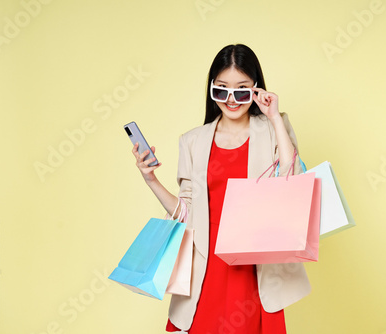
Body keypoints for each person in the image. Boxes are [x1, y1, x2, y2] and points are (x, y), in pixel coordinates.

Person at [132, 44, 311, 333]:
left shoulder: (270, 130)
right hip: (205, 269)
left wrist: (275, 117)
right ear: (211, 89)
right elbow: (185, 211)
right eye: (222, 89)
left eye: (241, 90)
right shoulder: (192, 141)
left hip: (253, 270)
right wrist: (151, 179)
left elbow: (293, 180)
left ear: (256, 89)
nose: (231, 99)